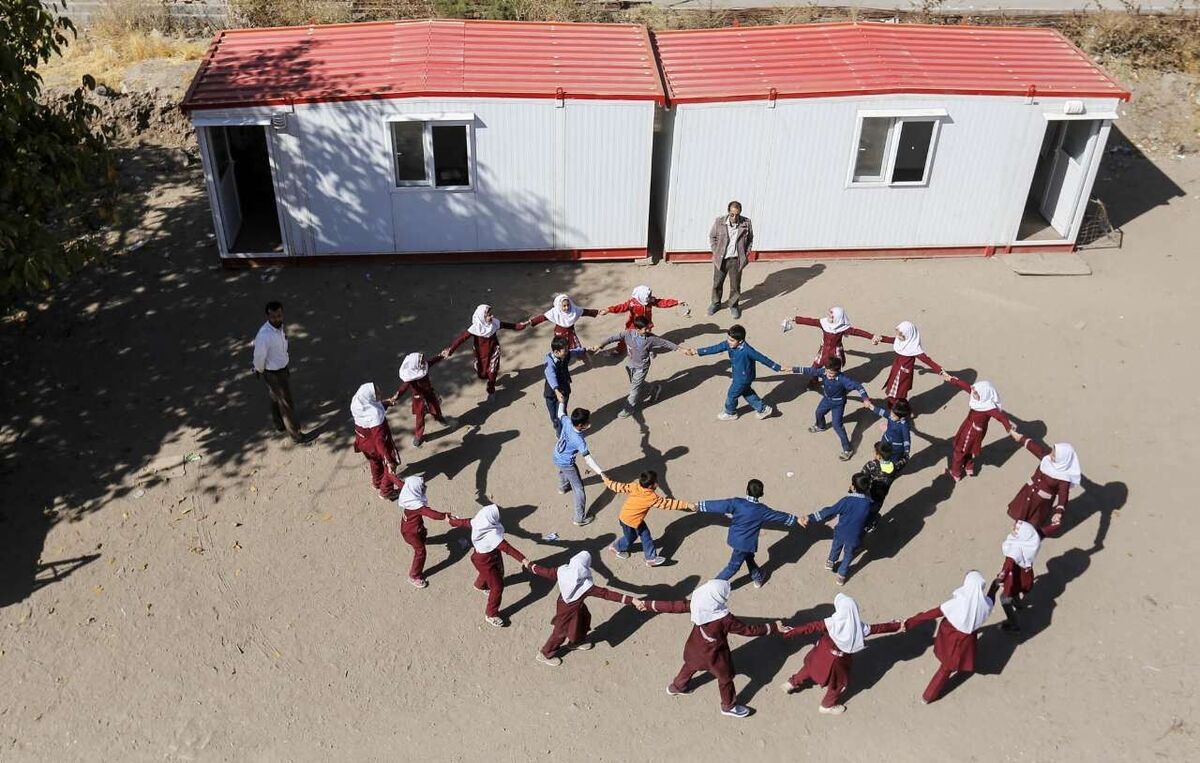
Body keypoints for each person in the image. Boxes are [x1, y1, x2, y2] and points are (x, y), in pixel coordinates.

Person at [650, 579, 784, 718]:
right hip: (714, 657)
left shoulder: (697, 604)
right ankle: (728, 706)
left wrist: (647, 605)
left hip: (694, 649)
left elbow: (672, 606)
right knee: (725, 678)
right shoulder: (725, 619)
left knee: (690, 665)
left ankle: (677, 686)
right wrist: (773, 627)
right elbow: (747, 630)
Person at [779, 593, 901, 715]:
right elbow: (879, 628)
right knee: (837, 684)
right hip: (837, 663)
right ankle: (826, 706)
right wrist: (897, 625)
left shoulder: (832, 622)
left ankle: (791, 683)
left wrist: (790, 631)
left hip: (820, 653)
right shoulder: (861, 628)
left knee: (809, 668)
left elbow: (811, 627)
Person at [527, 551, 640, 666]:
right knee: (560, 632)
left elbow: (544, 572)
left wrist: (530, 565)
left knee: (582, 620)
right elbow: (607, 594)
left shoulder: (562, 571)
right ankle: (544, 654)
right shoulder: (586, 586)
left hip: (567, 605)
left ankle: (576, 642)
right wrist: (632, 600)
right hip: (567, 611)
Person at [904, 571, 999, 704]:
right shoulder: (985, 605)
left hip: (949, 637)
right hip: (966, 641)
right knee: (951, 665)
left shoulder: (957, 602)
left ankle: (928, 697)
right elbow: (991, 598)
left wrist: (909, 623)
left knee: (945, 668)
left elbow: (933, 613)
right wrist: (994, 585)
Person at [695, 478, 798, 588]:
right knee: (733, 566)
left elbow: (719, 505)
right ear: (761, 493)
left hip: (735, 539)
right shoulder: (763, 510)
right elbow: (779, 516)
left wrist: (699, 505)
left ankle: (756, 576)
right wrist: (796, 520)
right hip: (745, 544)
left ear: (747, 490)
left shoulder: (737, 503)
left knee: (747, 557)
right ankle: (712, 587)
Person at [446, 504, 529, 628]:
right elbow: (508, 549)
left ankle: (479, 586)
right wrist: (524, 560)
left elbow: (463, 522)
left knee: (489, 573)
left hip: (481, 557)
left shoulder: (478, 522)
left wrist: (451, 521)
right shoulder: (492, 535)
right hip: (486, 560)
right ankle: (491, 614)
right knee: (497, 586)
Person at [592, 316, 691, 418]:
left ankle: (628, 409)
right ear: (637, 329)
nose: (648, 330)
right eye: (645, 329)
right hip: (631, 364)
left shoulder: (651, 338)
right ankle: (654, 389)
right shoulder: (628, 334)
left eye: (648, 328)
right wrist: (600, 345)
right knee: (637, 383)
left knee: (634, 389)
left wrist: (681, 349)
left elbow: (666, 343)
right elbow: (612, 338)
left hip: (642, 367)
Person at [603, 470, 695, 567]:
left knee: (637, 536)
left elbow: (618, 486)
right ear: (651, 486)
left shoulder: (635, 486)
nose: (658, 483)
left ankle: (622, 548)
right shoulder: (651, 497)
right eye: (656, 482)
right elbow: (669, 504)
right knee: (638, 537)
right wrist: (687, 505)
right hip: (631, 521)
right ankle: (647, 557)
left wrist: (606, 480)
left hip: (626, 517)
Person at [696, 324, 782, 421]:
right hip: (741, 376)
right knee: (746, 392)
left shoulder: (748, 350)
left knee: (732, 395)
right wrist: (697, 351)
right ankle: (763, 409)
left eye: (732, 340)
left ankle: (730, 413)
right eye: (728, 339)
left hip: (742, 378)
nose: (729, 342)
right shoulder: (729, 344)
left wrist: (778, 367)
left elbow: (762, 358)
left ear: (740, 341)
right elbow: (715, 348)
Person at [801, 473, 874, 585]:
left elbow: (829, 511)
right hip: (854, 537)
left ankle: (831, 561)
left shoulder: (846, 501)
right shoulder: (868, 504)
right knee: (849, 554)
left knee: (836, 546)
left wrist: (810, 518)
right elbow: (869, 520)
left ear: (853, 487)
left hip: (840, 532)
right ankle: (841, 575)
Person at [442, 304, 527, 399]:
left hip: (494, 351)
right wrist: (450, 350)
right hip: (480, 353)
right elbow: (461, 339)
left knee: (492, 372)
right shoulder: (475, 328)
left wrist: (520, 326)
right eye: (489, 315)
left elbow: (509, 326)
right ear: (481, 317)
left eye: (491, 314)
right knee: (482, 373)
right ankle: (489, 379)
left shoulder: (495, 323)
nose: (492, 316)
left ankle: (491, 390)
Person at [252, 300, 307, 442]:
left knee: (275, 397)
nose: (277, 319)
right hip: (273, 373)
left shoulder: (279, 328)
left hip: (281, 369)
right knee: (286, 402)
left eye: (279, 315)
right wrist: (258, 369)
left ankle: (279, 424)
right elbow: (259, 355)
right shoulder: (264, 335)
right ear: (267, 317)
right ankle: (296, 435)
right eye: (273, 317)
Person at [794, 357, 870, 460]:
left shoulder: (843, 379)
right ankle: (821, 426)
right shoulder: (824, 372)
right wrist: (792, 369)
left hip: (838, 404)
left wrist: (865, 399)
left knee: (837, 426)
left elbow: (858, 386)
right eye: (827, 372)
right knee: (819, 412)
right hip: (826, 399)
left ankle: (847, 449)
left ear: (838, 371)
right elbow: (810, 370)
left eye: (832, 374)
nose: (828, 376)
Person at [1005, 434, 1081, 537]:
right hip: (1028, 492)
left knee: (1032, 522)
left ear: (1063, 459)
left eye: (1054, 455)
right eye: (1052, 452)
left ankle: (1026, 537)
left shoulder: (1064, 478)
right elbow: (1034, 448)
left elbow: (1063, 496)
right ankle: (1017, 528)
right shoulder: (1047, 459)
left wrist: (1058, 512)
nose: (1050, 455)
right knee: (1021, 513)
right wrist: (1020, 438)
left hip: (1040, 503)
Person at [943, 377, 1014, 481]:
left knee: (960, 450)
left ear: (984, 395)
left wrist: (1009, 429)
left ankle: (955, 473)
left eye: (976, 392)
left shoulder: (988, 408)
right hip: (977, 430)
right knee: (969, 448)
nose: (974, 393)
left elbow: (1002, 417)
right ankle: (969, 467)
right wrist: (951, 379)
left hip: (970, 431)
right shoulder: (983, 399)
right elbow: (966, 386)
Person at [396, 476, 455, 588]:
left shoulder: (408, 494)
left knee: (422, 533)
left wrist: (390, 473)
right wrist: (445, 516)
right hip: (412, 533)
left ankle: (423, 540)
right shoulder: (417, 506)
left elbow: (397, 482)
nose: (424, 487)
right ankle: (414, 576)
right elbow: (432, 514)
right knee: (420, 552)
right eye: (421, 487)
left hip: (408, 527)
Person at [385, 352, 452, 448]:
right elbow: (403, 388)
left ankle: (439, 418)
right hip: (419, 400)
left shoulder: (424, 366)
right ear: (415, 365)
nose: (423, 362)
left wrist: (441, 356)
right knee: (420, 419)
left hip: (430, 395)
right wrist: (396, 396)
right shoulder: (410, 377)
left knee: (435, 409)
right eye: (420, 362)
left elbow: (432, 361)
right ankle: (418, 436)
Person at [552, 408, 605, 527]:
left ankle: (563, 488)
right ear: (581, 425)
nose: (589, 423)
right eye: (587, 421)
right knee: (579, 489)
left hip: (556, 455)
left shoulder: (567, 421)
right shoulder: (579, 440)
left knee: (563, 471)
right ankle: (579, 518)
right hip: (567, 463)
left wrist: (561, 401)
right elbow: (588, 459)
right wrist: (600, 472)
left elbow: (560, 413)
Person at [350, 382, 403, 500]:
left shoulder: (357, 403)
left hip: (363, 443)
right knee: (390, 466)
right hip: (375, 445)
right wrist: (388, 459)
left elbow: (371, 408)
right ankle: (386, 491)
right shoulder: (375, 416)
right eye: (377, 394)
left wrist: (386, 403)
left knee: (374, 462)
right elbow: (379, 441)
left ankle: (377, 482)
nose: (380, 394)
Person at [783, 306, 881, 369]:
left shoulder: (843, 328)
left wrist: (872, 336)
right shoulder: (823, 323)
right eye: (830, 314)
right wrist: (795, 319)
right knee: (815, 367)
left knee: (833, 370)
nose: (829, 317)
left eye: (832, 316)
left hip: (835, 352)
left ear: (838, 318)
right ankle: (814, 381)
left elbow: (858, 332)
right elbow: (810, 321)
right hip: (823, 350)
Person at [876, 321, 944, 407]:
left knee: (895, 393)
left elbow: (927, 360)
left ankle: (897, 409)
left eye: (901, 335)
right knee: (897, 392)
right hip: (897, 370)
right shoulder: (902, 341)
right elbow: (892, 340)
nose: (898, 337)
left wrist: (940, 370)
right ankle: (897, 406)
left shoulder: (914, 348)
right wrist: (881, 338)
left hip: (902, 375)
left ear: (909, 335)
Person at [604, 284, 687, 354]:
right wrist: (609, 310)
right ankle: (620, 349)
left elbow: (662, 303)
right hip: (633, 325)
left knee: (647, 338)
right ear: (641, 297)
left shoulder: (649, 301)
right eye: (648, 296)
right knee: (626, 337)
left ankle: (647, 349)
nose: (650, 297)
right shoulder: (632, 303)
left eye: (650, 295)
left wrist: (676, 302)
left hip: (646, 324)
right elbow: (621, 307)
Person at [708, 201, 753, 319]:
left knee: (735, 286)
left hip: (736, 260)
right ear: (728, 212)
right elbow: (712, 236)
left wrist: (746, 253)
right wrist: (715, 251)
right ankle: (715, 303)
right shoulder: (719, 222)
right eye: (732, 214)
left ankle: (733, 305)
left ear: (740, 213)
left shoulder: (746, 223)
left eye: (737, 215)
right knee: (717, 283)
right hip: (721, 259)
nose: (734, 217)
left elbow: (750, 239)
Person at [995, 520, 1041, 632]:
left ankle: (1013, 624)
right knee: (1016, 591)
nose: (1014, 530)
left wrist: (1000, 578)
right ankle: (1018, 604)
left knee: (1004, 599)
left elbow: (1007, 567)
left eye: (1016, 530)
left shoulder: (1014, 550)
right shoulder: (1029, 546)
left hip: (1014, 579)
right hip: (1025, 577)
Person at [543, 336, 588, 436]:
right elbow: (551, 376)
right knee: (553, 416)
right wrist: (556, 391)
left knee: (561, 415)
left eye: (567, 349)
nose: (567, 352)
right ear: (556, 352)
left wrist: (585, 350)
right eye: (565, 350)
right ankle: (556, 424)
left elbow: (574, 352)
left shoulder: (566, 354)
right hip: (551, 393)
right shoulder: (549, 361)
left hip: (564, 391)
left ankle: (562, 435)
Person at [526, 294, 605, 350]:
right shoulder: (554, 312)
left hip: (571, 334)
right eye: (564, 306)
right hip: (559, 335)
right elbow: (543, 317)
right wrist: (530, 322)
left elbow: (585, 312)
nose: (567, 307)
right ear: (559, 305)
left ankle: (585, 360)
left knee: (578, 350)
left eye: (568, 305)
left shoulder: (574, 310)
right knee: (561, 352)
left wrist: (597, 312)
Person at [859, 396, 913, 467]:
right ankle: (880, 460)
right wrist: (871, 406)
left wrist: (906, 451)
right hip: (885, 440)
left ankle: (890, 468)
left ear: (902, 417)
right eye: (891, 413)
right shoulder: (891, 415)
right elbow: (882, 412)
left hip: (895, 448)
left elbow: (906, 439)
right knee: (881, 453)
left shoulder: (904, 426)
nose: (891, 416)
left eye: (894, 416)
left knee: (893, 459)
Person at [861, 441, 898, 533]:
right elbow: (903, 462)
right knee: (873, 512)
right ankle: (869, 524)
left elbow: (861, 478)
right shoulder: (894, 466)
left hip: (868, 495)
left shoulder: (871, 465)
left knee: (862, 512)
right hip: (880, 497)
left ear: (879, 456)